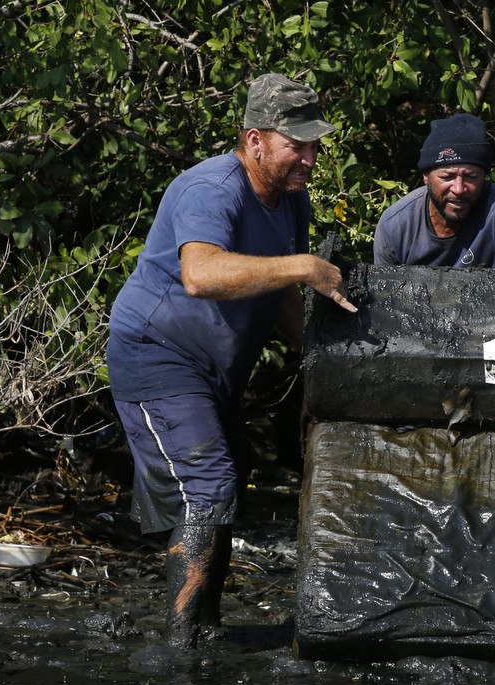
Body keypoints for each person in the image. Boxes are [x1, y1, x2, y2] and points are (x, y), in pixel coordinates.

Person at [107, 73, 358, 651]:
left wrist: (322, 358)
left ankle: (205, 627)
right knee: (208, 483)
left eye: (315, 146)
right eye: (298, 146)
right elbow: (202, 275)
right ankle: (182, 642)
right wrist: (302, 265)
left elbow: (280, 304)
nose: (311, 160)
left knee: (227, 480)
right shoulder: (211, 188)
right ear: (255, 141)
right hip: (157, 355)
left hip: (212, 370)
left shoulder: (292, 200)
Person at [373, 113, 495, 296]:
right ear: (426, 177)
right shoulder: (395, 225)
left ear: (484, 177)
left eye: (471, 177)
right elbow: (386, 298)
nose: (459, 188)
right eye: (447, 177)